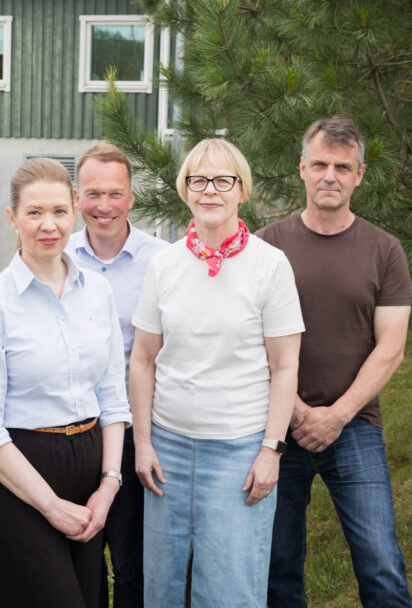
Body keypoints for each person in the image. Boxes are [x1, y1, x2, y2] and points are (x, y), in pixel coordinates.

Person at [130, 138, 303, 607]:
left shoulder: (270, 266)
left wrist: (272, 450)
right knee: (162, 590)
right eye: (198, 180)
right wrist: (143, 443)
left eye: (223, 180)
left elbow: (285, 367)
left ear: (242, 190)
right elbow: (143, 359)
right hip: (166, 450)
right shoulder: (164, 264)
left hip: (239, 452)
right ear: (185, 190)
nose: (210, 190)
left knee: (230, 590)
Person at [0, 157, 132, 607]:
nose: (47, 225)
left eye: (57, 210)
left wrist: (109, 485)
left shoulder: (98, 291)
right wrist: (50, 505)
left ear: (74, 209)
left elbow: (113, 398)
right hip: (23, 471)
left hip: (92, 467)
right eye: (34, 212)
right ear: (12, 218)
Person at [259, 116, 412, 607]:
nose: (331, 175)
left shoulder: (385, 250)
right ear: (302, 169)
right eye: (321, 164)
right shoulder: (266, 247)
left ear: (360, 175)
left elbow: (390, 346)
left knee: (380, 561)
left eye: (342, 167)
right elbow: (248, 340)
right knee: (277, 563)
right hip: (277, 428)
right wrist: (300, 412)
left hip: (356, 426)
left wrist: (337, 416)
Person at [65, 143, 167, 608]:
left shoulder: (163, 262)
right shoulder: (55, 258)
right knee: (81, 553)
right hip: (76, 430)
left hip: (138, 430)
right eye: (92, 194)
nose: (103, 206)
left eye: (114, 193)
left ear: (130, 197)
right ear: (75, 196)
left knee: (133, 560)